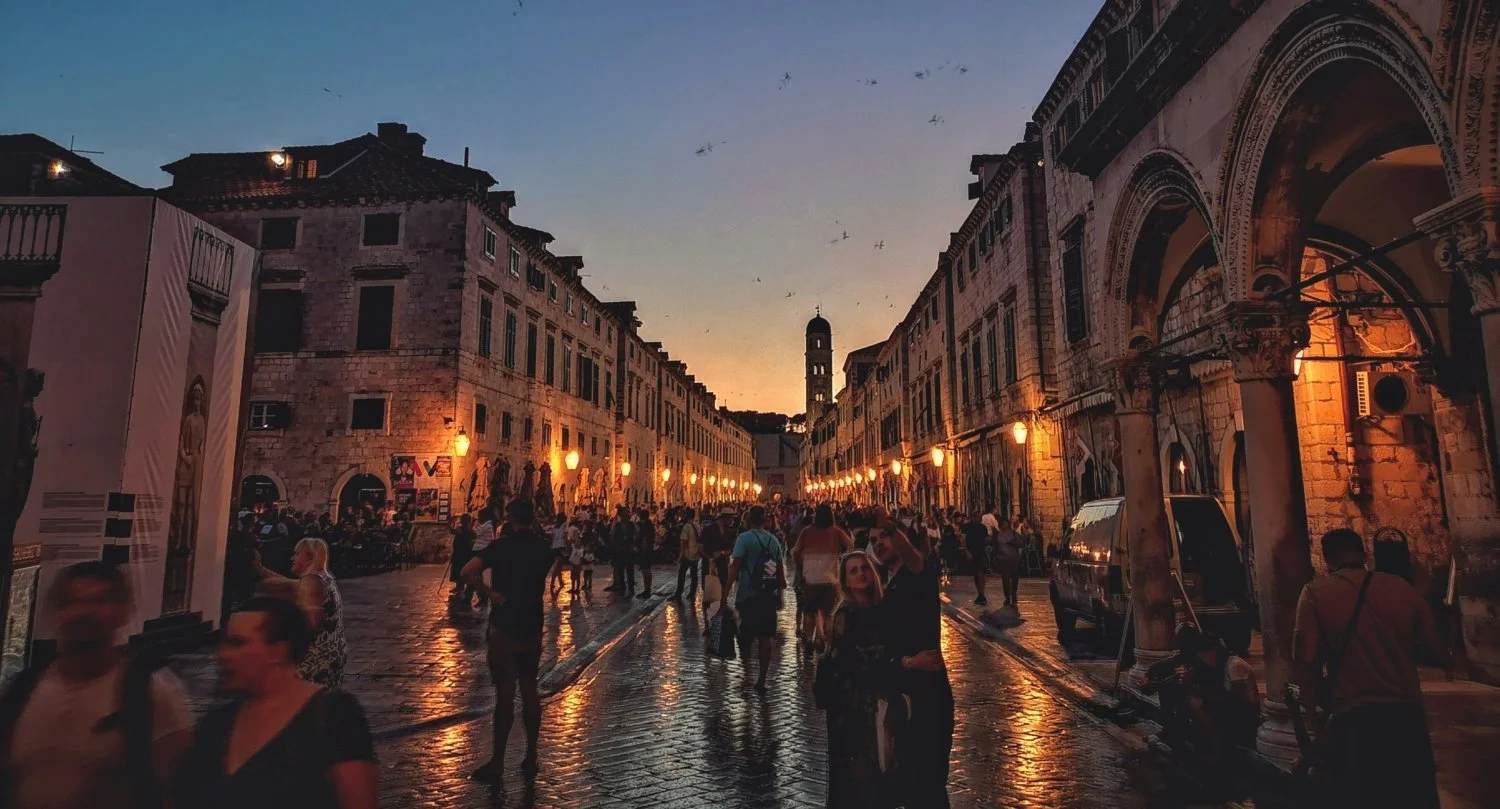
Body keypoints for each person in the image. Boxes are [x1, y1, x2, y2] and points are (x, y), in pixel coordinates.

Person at [0, 561, 192, 809]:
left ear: (122, 611)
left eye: (98, 601)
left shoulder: (150, 694)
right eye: (72, 602)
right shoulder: (24, 691)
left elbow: (177, 789)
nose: (83, 612)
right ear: (56, 612)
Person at [173, 597, 376, 809]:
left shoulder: (334, 717)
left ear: (278, 652)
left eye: (237, 643)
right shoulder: (216, 724)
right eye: (224, 643)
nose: (221, 655)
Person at [1294, 528, 1446, 809]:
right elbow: (1437, 647)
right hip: (1406, 713)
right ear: (1364, 554)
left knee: (1361, 794)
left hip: (1355, 716)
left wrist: (1312, 718)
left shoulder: (1315, 594)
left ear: (1326, 558)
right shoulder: (1402, 588)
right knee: (1414, 793)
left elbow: (1306, 658)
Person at [462, 498, 557, 792]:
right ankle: (531, 756)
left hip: (504, 623)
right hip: (532, 623)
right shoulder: (544, 549)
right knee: (529, 688)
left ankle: (498, 761)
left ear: (510, 518)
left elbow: (467, 571)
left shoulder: (499, 547)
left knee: (504, 692)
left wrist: (489, 593)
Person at [871, 521, 952, 808]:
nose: (880, 542)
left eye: (886, 536)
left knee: (928, 784)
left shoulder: (920, 574)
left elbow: (914, 557)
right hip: (901, 688)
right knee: (905, 780)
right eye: (874, 539)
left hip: (928, 692)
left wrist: (888, 522)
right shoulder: (888, 582)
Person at [821, 550, 907, 809]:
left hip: (879, 701)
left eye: (864, 568)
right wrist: (906, 663)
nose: (861, 574)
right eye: (854, 571)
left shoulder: (880, 609)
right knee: (860, 779)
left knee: (883, 772)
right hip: (854, 708)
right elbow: (852, 662)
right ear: (845, 581)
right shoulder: (845, 614)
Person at [253, 537, 349, 688]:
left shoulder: (312, 581)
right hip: (332, 652)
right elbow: (284, 583)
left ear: (309, 558)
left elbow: (309, 623)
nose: (292, 558)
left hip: (316, 657)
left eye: (297, 554)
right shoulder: (323, 578)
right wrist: (259, 568)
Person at [723, 505, 786, 691]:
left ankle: (747, 671)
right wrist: (780, 595)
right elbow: (780, 574)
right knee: (766, 637)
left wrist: (725, 590)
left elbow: (735, 566)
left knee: (745, 635)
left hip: (748, 593)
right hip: (768, 595)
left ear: (748, 519)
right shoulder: (773, 540)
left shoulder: (744, 539)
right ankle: (762, 679)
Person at [793, 504, 852, 652]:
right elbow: (851, 547)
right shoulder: (836, 532)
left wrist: (801, 569)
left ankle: (809, 639)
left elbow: (795, 551)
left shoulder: (806, 532)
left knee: (809, 611)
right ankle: (825, 643)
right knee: (829, 613)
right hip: (831, 579)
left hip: (810, 578)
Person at [960, 512, 991, 606]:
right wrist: (966, 551)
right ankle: (980, 594)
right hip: (972, 551)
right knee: (976, 574)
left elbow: (986, 539)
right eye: (978, 517)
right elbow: (963, 538)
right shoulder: (967, 527)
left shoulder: (983, 528)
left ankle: (981, 594)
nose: (980, 519)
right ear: (973, 518)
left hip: (980, 552)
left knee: (980, 572)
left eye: (980, 518)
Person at [673, 507, 702, 601]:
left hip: (688, 554)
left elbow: (684, 542)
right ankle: (692, 593)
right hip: (696, 553)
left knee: (681, 573)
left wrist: (681, 554)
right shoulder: (697, 525)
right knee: (694, 574)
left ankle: (679, 593)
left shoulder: (686, 526)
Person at [993, 516, 1022, 609]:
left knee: (1014, 578)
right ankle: (1007, 597)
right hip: (1003, 559)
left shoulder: (1013, 534)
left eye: (1006, 524)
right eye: (1003, 524)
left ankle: (1013, 595)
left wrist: (1014, 543)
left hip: (1013, 559)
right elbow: (995, 547)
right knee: (1005, 579)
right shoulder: (997, 535)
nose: (1005, 526)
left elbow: (1021, 544)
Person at [606, 507, 636, 595]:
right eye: (624, 514)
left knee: (630, 569)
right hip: (619, 550)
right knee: (620, 568)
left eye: (627, 514)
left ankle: (631, 586)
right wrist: (616, 546)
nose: (626, 515)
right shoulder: (616, 525)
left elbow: (635, 535)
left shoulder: (632, 525)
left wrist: (633, 545)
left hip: (629, 549)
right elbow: (612, 536)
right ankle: (622, 585)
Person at [451, 513, 478, 606]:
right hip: (461, 552)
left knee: (460, 568)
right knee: (458, 568)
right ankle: (459, 585)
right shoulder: (469, 530)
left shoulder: (465, 530)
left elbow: (453, 531)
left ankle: (460, 586)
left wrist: (450, 522)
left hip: (462, 553)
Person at [635, 508, 657, 600]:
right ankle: (647, 589)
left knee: (645, 570)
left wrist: (642, 550)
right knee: (646, 570)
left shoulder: (645, 526)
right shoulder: (650, 525)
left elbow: (644, 539)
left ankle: (647, 589)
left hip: (645, 550)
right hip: (649, 549)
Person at [548, 513, 570, 597]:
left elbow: (552, 536)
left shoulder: (556, 526)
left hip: (555, 546)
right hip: (561, 546)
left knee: (559, 564)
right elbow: (565, 535)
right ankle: (552, 582)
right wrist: (568, 546)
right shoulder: (565, 525)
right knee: (558, 564)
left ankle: (561, 581)